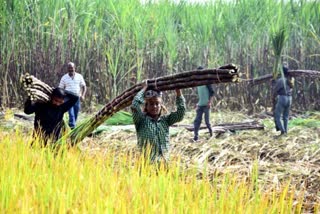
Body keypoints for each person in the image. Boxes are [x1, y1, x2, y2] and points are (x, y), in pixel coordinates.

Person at [131, 81, 186, 164]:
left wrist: (178, 92)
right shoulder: (141, 120)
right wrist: (144, 89)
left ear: (161, 106)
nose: (155, 106)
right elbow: (135, 105)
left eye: (157, 104)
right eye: (151, 104)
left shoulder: (165, 120)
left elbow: (180, 113)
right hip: (147, 166)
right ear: (146, 106)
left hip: (164, 164)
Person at [59, 62, 87, 129]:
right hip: (68, 98)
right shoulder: (64, 78)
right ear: (67, 69)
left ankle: (71, 126)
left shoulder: (79, 76)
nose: (71, 69)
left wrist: (83, 95)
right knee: (71, 114)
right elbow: (60, 88)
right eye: (69, 68)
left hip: (77, 97)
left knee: (76, 113)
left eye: (72, 68)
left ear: (74, 68)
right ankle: (72, 128)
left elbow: (84, 86)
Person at [193, 66, 215, 142]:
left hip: (206, 105)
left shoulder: (207, 82)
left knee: (207, 122)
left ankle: (211, 134)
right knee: (197, 121)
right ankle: (195, 136)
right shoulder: (198, 83)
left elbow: (212, 93)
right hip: (200, 104)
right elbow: (200, 94)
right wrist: (197, 103)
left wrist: (210, 102)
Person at [273, 66, 294, 136]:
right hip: (289, 98)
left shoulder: (281, 80)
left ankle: (283, 131)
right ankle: (286, 131)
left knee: (277, 116)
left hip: (282, 98)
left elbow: (276, 90)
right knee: (286, 116)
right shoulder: (290, 80)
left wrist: (273, 82)